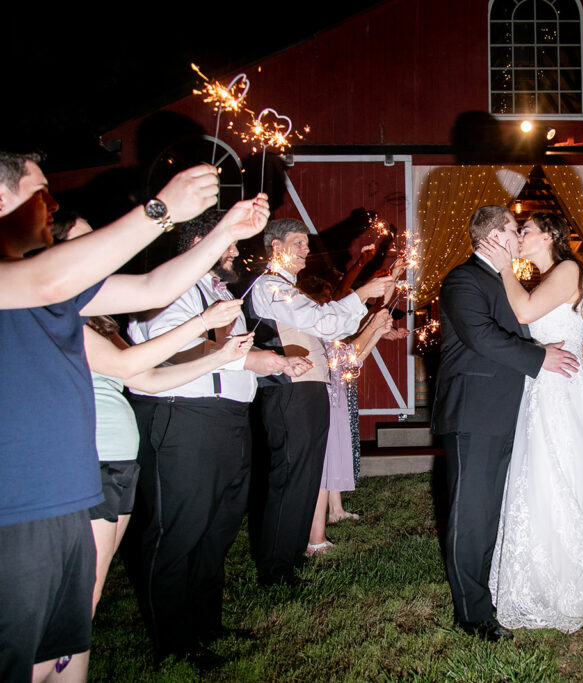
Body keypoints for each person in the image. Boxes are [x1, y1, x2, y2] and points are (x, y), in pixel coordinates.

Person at [0, 151, 231, 682]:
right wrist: (161, 211)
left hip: (70, 494)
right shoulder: (30, 280)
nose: (52, 203)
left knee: (65, 650)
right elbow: (48, 283)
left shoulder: (59, 289)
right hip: (16, 506)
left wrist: (223, 233)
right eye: (42, 193)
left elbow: (152, 289)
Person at [124, 206, 294, 668]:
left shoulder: (219, 293)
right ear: (202, 245)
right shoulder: (167, 287)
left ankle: (206, 624)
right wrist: (242, 359)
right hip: (185, 419)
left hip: (229, 421)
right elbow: (161, 343)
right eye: (231, 244)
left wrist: (270, 361)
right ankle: (174, 644)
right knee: (178, 531)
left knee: (217, 529)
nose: (236, 253)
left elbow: (233, 353)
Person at [478, 212, 583, 633]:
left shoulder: (569, 268)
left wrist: (503, 268)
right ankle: (547, 568)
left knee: (557, 472)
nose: (518, 237)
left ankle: (570, 573)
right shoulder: (547, 278)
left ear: (550, 237)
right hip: (546, 385)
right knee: (545, 475)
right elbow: (534, 328)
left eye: (525, 231)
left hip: (560, 391)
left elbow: (522, 312)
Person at [431, 205, 578, 642]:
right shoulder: (463, 279)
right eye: (515, 230)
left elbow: (516, 327)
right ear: (495, 236)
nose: (519, 235)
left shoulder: (502, 281)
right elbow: (481, 336)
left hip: (511, 408)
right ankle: (472, 614)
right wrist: (540, 356)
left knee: (494, 510)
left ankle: (491, 590)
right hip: (475, 409)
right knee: (472, 513)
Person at [249, 218, 394, 586]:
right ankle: (276, 569)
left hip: (309, 389)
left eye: (306, 243)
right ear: (275, 246)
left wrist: (368, 301)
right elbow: (322, 321)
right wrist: (361, 294)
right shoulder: (269, 287)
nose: (306, 250)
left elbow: (336, 328)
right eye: (298, 242)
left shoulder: (289, 289)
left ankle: (290, 558)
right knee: (290, 476)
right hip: (288, 390)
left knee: (305, 477)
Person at [307, 308, 393, 555]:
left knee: (329, 467)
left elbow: (353, 359)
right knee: (322, 470)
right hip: (324, 402)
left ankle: (325, 525)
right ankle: (315, 539)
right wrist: (373, 326)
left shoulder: (325, 337)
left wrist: (376, 332)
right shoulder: (316, 337)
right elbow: (348, 354)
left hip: (335, 400)